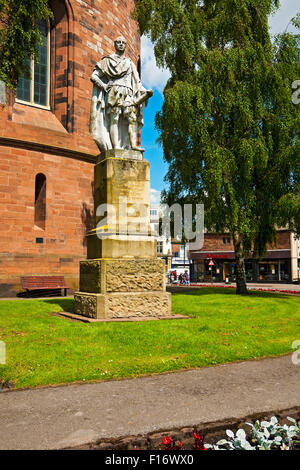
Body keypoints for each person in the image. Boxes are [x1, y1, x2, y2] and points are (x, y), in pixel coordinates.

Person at [90, 36, 153, 152]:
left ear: (125, 45)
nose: (120, 44)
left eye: (123, 42)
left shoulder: (130, 63)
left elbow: (137, 82)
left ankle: (132, 145)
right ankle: (116, 147)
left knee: (131, 119)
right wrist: (103, 86)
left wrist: (145, 92)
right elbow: (94, 76)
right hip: (114, 92)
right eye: (118, 42)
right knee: (114, 118)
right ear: (114, 44)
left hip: (128, 94)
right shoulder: (107, 61)